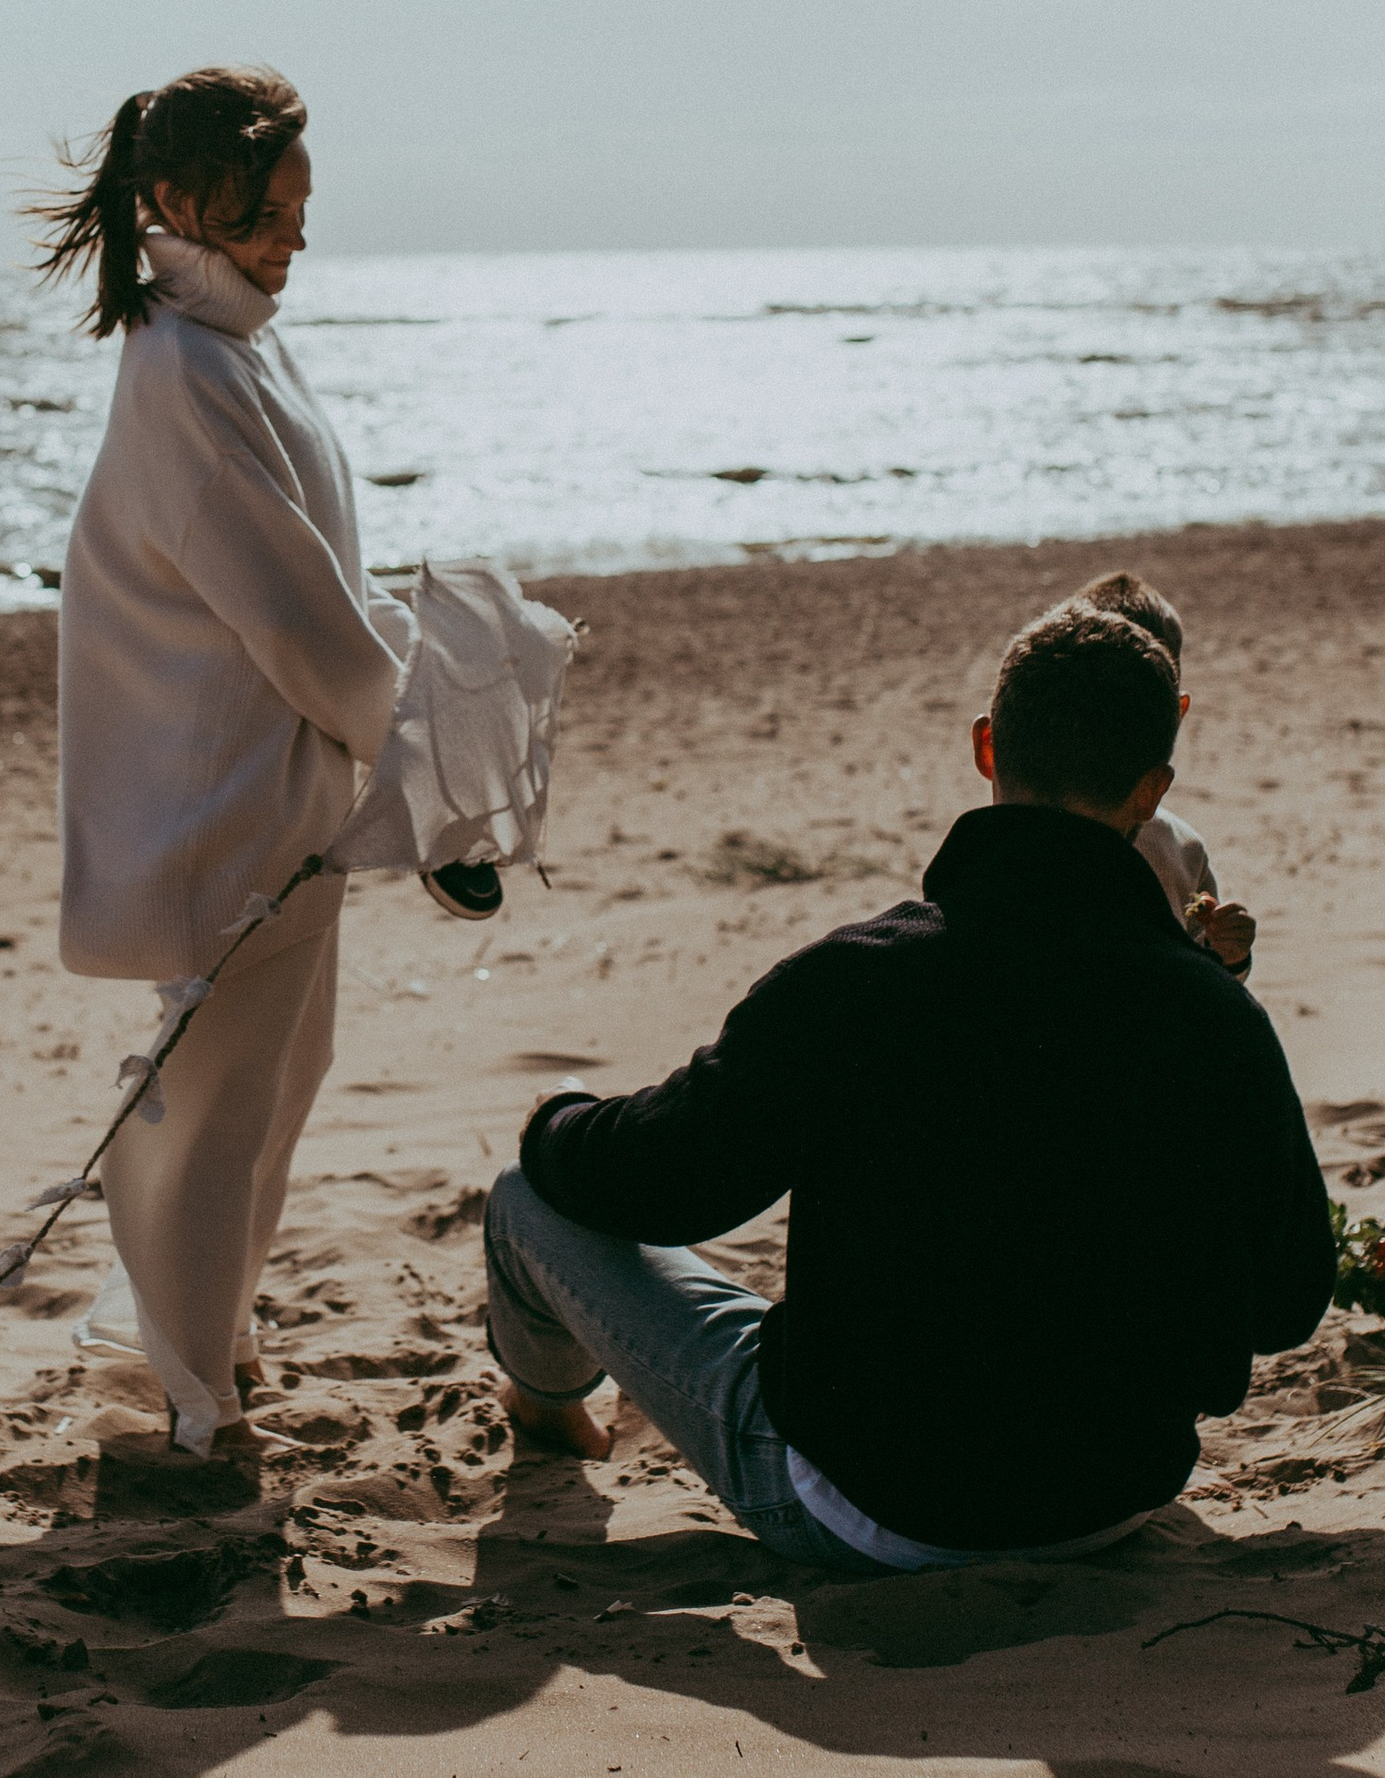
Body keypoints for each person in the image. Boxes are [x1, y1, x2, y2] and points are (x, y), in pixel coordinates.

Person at [480, 597, 1334, 1566]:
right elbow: (1288, 1299)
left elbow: (673, 1179)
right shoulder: (1217, 1018)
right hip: (1114, 1500)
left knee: (525, 1202)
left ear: (984, 749)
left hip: (868, 1510)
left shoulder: (858, 978)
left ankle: (546, 1408)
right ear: (1150, 791)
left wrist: (558, 1121)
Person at [33, 64, 420, 1450]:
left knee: (267, 1085)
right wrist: (420, 737)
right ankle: (198, 1398)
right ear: (185, 202)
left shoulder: (239, 341)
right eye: (272, 209)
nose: (297, 234)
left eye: (305, 209)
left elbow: (325, 581)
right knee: (218, 1104)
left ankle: (209, 1350)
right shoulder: (187, 371)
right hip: (223, 808)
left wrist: (407, 682)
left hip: (282, 795)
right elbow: (295, 615)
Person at [1078, 567, 1254, 976]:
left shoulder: (1183, 850)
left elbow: (1205, 980)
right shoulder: (1040, 828)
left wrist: (1229, 953)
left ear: (1177, 711)